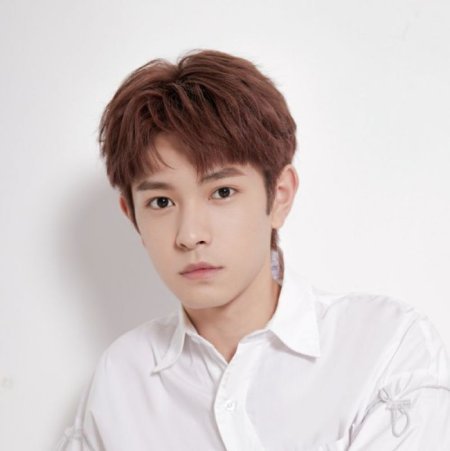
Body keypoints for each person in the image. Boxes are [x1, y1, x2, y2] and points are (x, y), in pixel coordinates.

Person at [56, 49, 450, 450]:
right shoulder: (121, 379)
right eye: (161, 202)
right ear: (132, 216)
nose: (190, 235)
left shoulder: (384, 347)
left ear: (279, 195)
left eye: (222, 192)